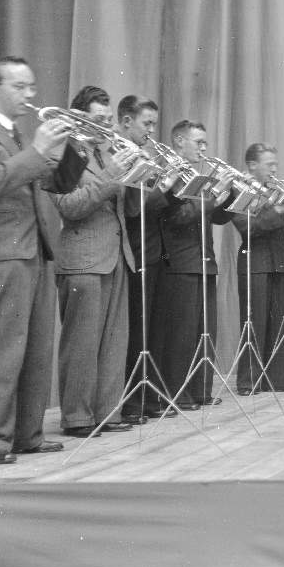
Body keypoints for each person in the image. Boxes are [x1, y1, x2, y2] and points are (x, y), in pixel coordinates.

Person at [0, 56, 81, 463]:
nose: (31, 95)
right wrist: (40, 149)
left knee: (36, 351)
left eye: (31, 87)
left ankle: (27, 434)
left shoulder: (22, 140)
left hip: (35, 254)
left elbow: (58, 183)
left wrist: (77, 149)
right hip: (1, 256)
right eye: (21, 86)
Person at [51, 86, 138, 438]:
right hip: (83, 258)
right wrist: (112, 176)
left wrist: (133, 173)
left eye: (107, 120)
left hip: (116, 255)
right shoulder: (64, 152)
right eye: (97, 120)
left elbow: (128, 209)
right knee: (81, 344)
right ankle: (77, 417)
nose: (106, 127)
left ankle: (107, 412)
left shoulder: (105, 153)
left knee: (114, 342)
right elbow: (69, 207)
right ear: (77, 119)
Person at [153, 119, 233, 409]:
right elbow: (176, 217)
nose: (203, 148)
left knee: (205, 332)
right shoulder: (169, 172)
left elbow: (219, 217)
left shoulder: (195, 174)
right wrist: (212, 197)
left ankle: (201, 391)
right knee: (182, 335)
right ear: (178, 141)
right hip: (180, 261)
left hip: (203, 261)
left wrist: (228, 193)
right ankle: (178, 394)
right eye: (197, 142)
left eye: (204, 142)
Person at [229, 143, 284, 394]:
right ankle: (249, 381)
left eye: (275, 164)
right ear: (252, 165)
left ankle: (280, 379)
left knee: (281, 322)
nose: (275, 169)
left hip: (279, 262)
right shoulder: (239, 190)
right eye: (269, 165)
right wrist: (279, 210)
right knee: (254, 324)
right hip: (254, 262)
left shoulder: (273, 192)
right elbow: (247, 228)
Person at [116, 94, 170, 421]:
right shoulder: (120, 153)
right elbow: (135, 208)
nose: (151, 131)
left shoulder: (142, 153)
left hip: (155, 251)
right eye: (146, 124)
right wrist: (156, 178)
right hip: (135, 251)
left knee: (153, 331)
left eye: (153, 124)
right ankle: (133, 402)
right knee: (137, 331)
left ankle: (149, 398)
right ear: (126, 122)